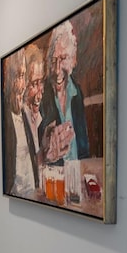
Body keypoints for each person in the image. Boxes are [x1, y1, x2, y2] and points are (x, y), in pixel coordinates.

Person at [39, 20, 89, 164]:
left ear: (73, 59)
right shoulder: (43, 95)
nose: (56, 69)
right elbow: (41, 150)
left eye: (63, 59)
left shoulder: (76, 92)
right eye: (53, 60)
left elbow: (83, 146)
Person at [3, 48, 38, 196]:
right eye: (20, 76)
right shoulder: (5, 117)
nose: (24, 85)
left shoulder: (23, 114)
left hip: (30, 196)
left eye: (24, 77)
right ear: (9, 79)